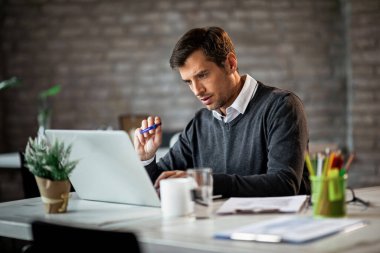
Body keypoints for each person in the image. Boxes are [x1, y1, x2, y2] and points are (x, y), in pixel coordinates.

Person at [134, 26, 310, 197]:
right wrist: (146, 159)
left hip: (272, 225)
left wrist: (205, 182)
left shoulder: (281, 106)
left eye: (202, 75)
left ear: (230, 64)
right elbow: (160, 185)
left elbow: (284, 184)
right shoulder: (199, 124)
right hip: (217, 225)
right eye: (188, 82)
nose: (196, 90)